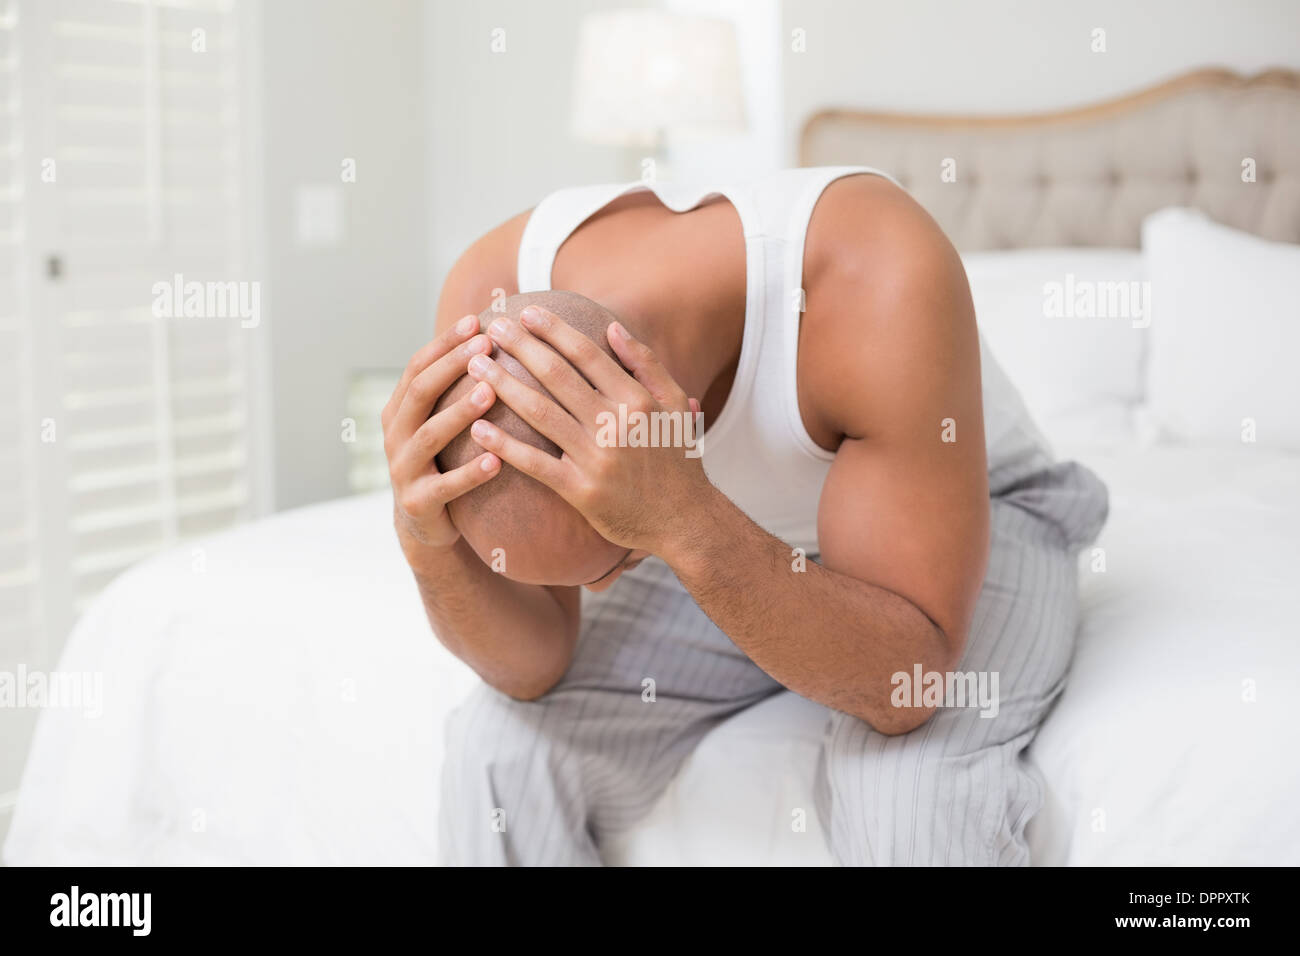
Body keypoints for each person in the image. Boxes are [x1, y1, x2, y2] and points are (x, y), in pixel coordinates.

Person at [380, 167, 1108, 865]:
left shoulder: (873, 268)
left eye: (614, 563)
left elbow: (903, 686)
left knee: (908, 798)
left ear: (672, 422)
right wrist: (425, 544)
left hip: (972, 523)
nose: (602, 594)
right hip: (704, 527)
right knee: (499, 751)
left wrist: (682, 525)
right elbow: (535, 669)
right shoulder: (485, 301)